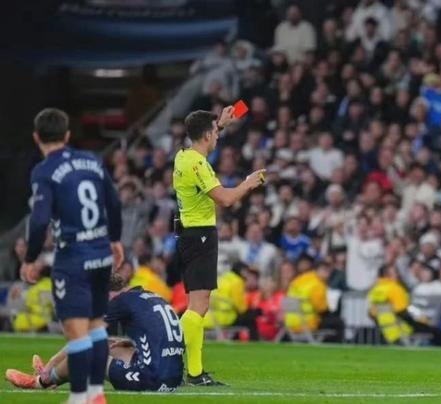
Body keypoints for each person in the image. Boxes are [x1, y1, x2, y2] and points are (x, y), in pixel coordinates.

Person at [20, 108, 123, 404]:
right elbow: (114, 203)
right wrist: (115, 239)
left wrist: (30, 257)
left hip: (73, 258)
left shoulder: (44, 171)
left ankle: (78, 397)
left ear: (36, 137)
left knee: (76, 332)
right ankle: (95, 394)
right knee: (96, 326)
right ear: (67, 135)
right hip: (101, 255)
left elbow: (39, 220)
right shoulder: (92, 160)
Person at [173, 107, 265, 386]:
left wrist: (220, 124)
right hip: (199, 235)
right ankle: (165, 351)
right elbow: (225, 198)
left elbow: (202, 145)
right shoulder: (198, 164)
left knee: (197, 305)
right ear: (206, 135)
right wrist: (248, 184)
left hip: (189, 234)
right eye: (215, 132)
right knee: (198, 307)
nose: (218, 136)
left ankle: (194, 372)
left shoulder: (183, 155)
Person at [5, 273, 184, 392]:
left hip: (150, 380)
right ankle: (52, 377)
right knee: (110, 344)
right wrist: (130, 342)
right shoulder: (149, 296)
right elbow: (159, 335)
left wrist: (52, 361)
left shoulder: (119, 302)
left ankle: (41, 382)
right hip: (172, 380)